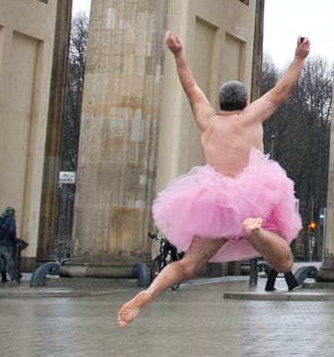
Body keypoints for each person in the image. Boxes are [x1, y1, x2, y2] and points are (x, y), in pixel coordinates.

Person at [117, 31, 310, 327]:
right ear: (245, 101)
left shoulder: (207, 120)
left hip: (216, 203)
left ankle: (150, 291)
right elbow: (280, 91)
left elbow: (190, 86)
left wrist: (178, 53)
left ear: (221, 103)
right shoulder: (250, 116)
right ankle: (256, 232)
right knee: (283, 261)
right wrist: (298, 58)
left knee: (189, 264)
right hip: (252, 197)